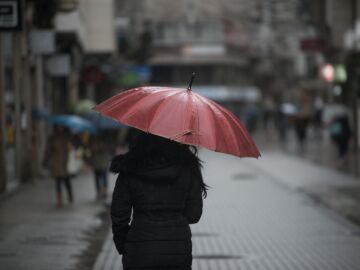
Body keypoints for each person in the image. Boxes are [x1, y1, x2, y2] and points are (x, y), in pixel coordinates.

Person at [110, 132, 207, 270]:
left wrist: (124, 245)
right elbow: (194, 214)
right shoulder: (187, 165)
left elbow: (119, 214)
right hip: (177, 251)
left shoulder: (131, 166)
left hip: (139, 250)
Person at [44, 125, 73, 207]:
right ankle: (59, 200)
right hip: (56, 163)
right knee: (58, 182)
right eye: (59, 127)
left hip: (64, 163)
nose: (60, 128)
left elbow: (69, 149)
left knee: (67, 181)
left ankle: (70, 195)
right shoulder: (52, 138)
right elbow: (48, 150)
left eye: (61, 127)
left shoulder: (66, 137)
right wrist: (45, 161)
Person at [87, 135, 112, 200]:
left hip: (103, 163)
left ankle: (104, 192)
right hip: (97, 163)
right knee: (98, 179)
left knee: (104, 178)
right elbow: (91, 150)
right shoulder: (93, 139)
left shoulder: (106, 139)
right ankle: (99, 193)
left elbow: (109, 149)